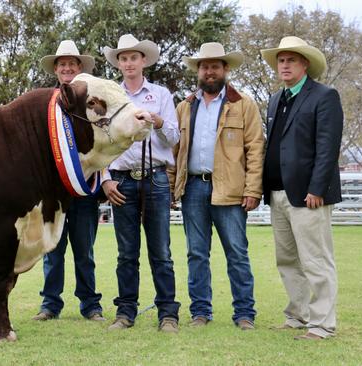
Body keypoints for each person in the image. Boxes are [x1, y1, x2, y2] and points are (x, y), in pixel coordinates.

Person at [171, 42, 264, 330]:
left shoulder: (243, 105)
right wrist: (175, 186)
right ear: (198, 71)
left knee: (236, 251)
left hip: (232, 190)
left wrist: (252, 189)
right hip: (194, 189)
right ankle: (200, 311)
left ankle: (245, 314)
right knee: (196, 253)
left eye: (214, 66)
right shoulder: (184, 107)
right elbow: (175, 150)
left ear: (225, 69)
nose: (209, 71)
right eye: (204, 66)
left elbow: (255, 149)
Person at [260, 36, 343, 340]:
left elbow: (327, 147)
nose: (284, 65)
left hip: (309, 195)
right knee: (287, 260)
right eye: (281, 60)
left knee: (316, 260)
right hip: (278, 193)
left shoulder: (325, 96)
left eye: (291, 60)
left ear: (304, 64)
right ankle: (297, 315)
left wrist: (317, 188)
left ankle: (322, 324)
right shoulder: (275, 99)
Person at [100, 34, 181, 332]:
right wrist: (105, 179)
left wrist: (158, 121)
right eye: (123, 58)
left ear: (143, 61)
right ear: (119, 63)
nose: (128, 63)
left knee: (161, 251)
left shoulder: (160, 94)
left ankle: (168, 314)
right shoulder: (110, 97)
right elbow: (102, 143)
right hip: (121, 180)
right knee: (126, 252)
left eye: (133, 57)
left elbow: (174, 137)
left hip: (155, 178)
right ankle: (125, 312)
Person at [32, 40, 105, 322]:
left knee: (84, 251)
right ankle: (50, 304)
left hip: (84, 188)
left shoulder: (92, 103)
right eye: (62, 64)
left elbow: (102, 140)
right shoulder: (44, 104)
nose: (66, 68)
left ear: (79, 69)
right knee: (52, 250)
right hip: (54, 191)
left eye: (71, 64)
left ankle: (90, 305)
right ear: (56, 70)